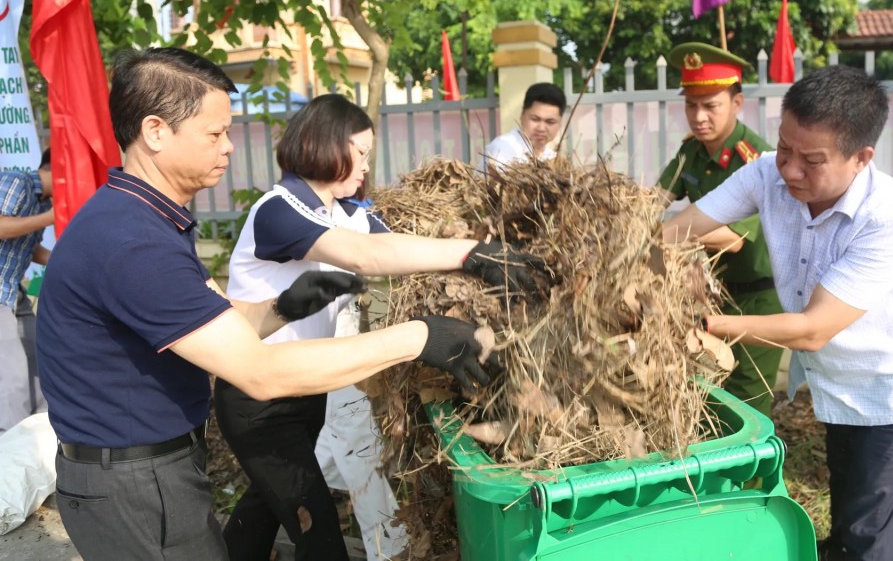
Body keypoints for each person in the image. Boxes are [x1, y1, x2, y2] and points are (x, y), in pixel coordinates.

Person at [35, 48, 540, 561]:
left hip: (153, 469)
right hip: (135, 483)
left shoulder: (149, 221)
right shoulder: (134, 241)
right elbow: (258, 372)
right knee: (312, 526)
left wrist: (281, 308)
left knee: (262, 515)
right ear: (156, 131)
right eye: (215, 133)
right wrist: (420, 336)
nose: (229, 146)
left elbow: (221, 321)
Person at [218, 94, 543, 561]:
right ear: (324, 144)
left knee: (265, 509)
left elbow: (397, 245)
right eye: (361, 152)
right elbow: (367, 255)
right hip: (258, 397)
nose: (367, 165)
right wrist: (470, 254)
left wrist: (478, 246)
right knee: (317, 532)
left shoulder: (345, 212)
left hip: (304, 387)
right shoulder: (278, 209)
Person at [663, 65, 893, 561]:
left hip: (889, 382)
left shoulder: (889, 214)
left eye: (812, 160)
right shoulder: (766, 172)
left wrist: (700, 326)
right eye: (784, 149)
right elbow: (683, 226)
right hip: (833, 377)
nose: (790, 170)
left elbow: (812, 329)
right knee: (847, 499)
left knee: (867, 529)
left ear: (861, 158)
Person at [657, 42, 783, 418]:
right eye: (691, 105)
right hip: (715, 292)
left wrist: (662, 236)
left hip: (761, 297)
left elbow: (733, 238)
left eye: (710, 105)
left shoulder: (757, 159)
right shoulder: (691, 152)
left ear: (737, 103)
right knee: (714, 391)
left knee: (748, 398)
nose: (699, 117)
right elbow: (653, 200)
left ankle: (757, 460)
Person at [0, 149, 53, 431]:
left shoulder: (44, 205)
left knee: (38, 362)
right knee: (14, 377)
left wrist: (65, 260)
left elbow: (29, 247)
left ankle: (41, 433)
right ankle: (12, 444)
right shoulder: (17, 181)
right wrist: (51, 218)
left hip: (12, 291)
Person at [481, 82, 566, 171]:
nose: (541, 128)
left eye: (550, 122)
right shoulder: (503, 148)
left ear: (560, 122)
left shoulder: (552, 158)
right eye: (535, 119)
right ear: (522, 115)